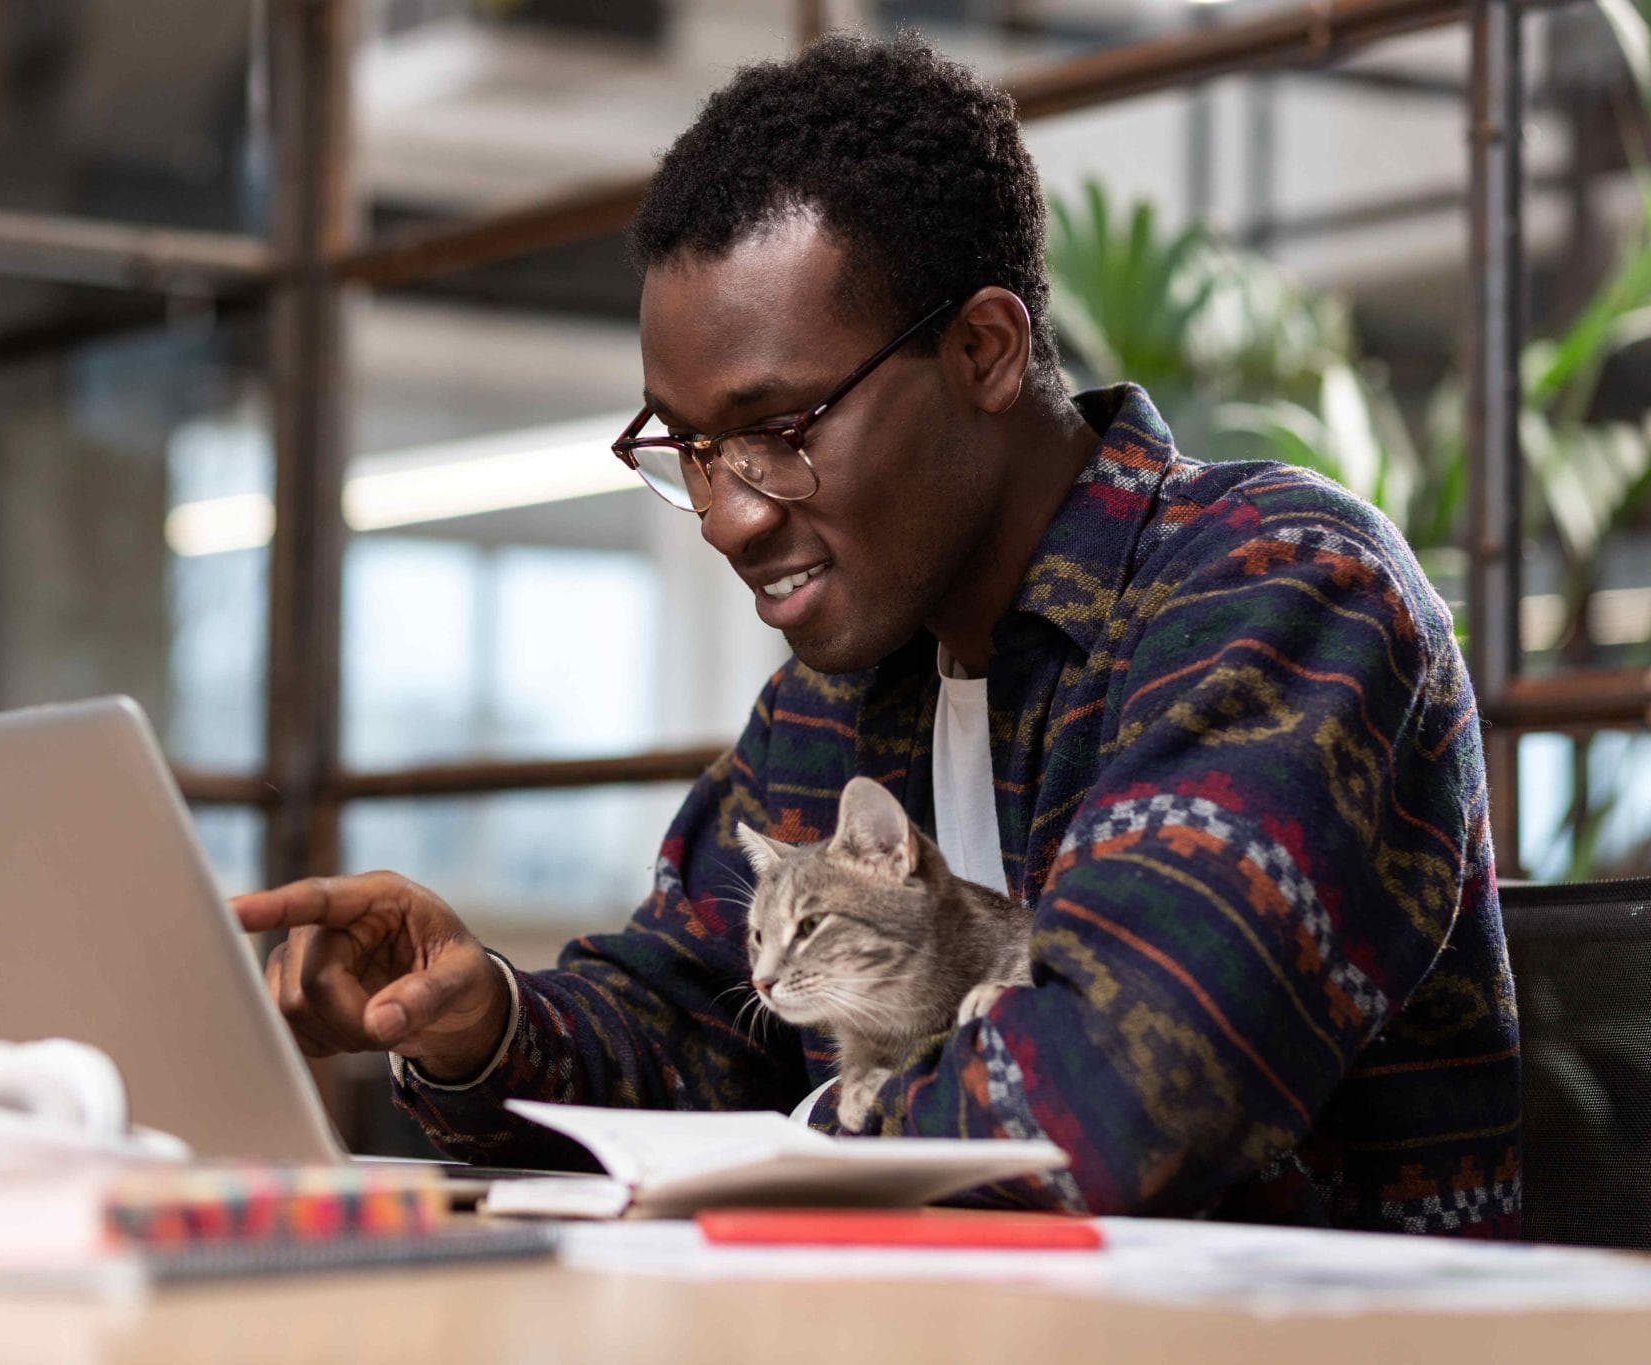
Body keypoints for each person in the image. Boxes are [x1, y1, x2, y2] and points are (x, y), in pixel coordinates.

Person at [234, 33, 1518, 1234]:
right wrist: (484, 1022)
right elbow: (694, 1020)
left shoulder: (1275, 590)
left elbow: (1100, 1112)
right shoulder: (830, 698)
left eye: (779, 431)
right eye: (688, 448)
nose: (724, 517)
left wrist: (794, 1135)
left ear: (982, 350)